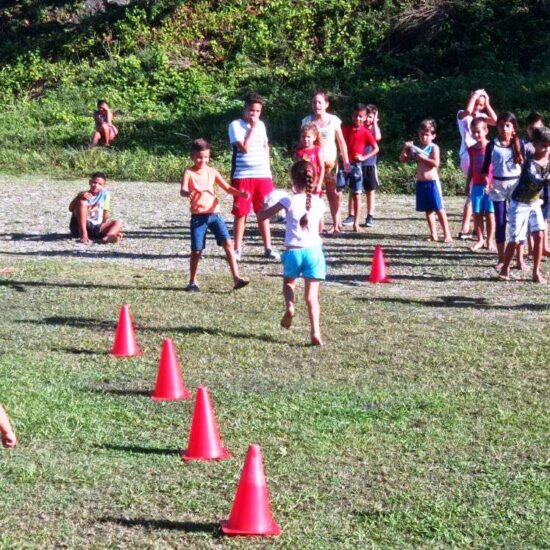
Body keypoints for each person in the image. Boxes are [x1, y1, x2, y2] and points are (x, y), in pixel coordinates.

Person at [258, 160, 326, 346]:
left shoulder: (287, 200)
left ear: (293, 180)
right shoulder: (319, 203)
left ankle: (290, 306)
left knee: (289, 282)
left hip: (293, 252)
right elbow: (321, 227)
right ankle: (316, 332)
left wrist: (263, 206)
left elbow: (263, 217)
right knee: (312, 297)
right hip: (314, 252)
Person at [180, 139, 250, 292]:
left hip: (214, 215)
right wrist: (188, 193)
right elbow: (182, 190)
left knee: (228, 244)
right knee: (197, 250)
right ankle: (192, 281)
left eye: (205, 157)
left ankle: (236, 278)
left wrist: (241, 194)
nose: (202, 160)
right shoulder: (189, 173)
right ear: (192, 156)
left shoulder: (212, 172)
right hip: (198, 217)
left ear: (209, 156)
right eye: (199, 157)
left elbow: (227, 188)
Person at [228, 92, 280, 261]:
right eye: (251, 111)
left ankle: (268, 247)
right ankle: (237, 249)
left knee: (264, 211)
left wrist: (268, 167)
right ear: (245, 109)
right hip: (243, 175)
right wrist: (251, 129)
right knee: (241, 212)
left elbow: (265, 145)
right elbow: (244, 148)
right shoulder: (235, 125)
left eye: (258, 111)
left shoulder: (262, 125)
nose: (255, 115)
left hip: (262, 175)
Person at [498, 126, 550, 283]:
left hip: (534, 202)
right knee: (515, 239)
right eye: (543, 145)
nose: (547, 149)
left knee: (540, 234)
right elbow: (537, 180)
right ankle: (505, 267)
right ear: (534, 144)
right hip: (519, 203)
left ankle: (536, 272)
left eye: (549, 145)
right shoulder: (530, 164)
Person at [302, 91, 349, 233]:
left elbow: (341, 141)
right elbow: (301, 141)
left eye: (320, 102)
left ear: (326, 104)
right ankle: (314, 226)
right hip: (311, 162)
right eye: (314, 102)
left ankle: (336, 224)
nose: (317, 105)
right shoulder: (306, 121)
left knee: (332, 193)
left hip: (330, 162)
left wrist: (346, 161)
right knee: (312, 193)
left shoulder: (333, 120)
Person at [482, 112, 524, 269]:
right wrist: (487, 181)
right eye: (500, 125)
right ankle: (501, 258)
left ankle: (520, 259)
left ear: (513, 128)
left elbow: (526, 167)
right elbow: (485, 168)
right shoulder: (491, 145)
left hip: (515, 186)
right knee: (500, 222)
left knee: (518, 223)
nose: (504, 128)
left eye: (507, 125)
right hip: (498, 187)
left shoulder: (520, 144)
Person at [399, 119, 452, 242]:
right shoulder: (417, 148)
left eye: (427, 134)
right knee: (428, 209)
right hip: (421, 183)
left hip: (432, 182)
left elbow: (436, 163)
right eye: (422, 134)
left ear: (433, 135)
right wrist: (405, 149)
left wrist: (421, 158)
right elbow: (403, 159)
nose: (424, 137)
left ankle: (447, 234)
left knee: (439, 208)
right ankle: (433, 234)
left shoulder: (434, 147)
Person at [457, 89, 497, 239]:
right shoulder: (462, 114)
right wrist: (475, 95)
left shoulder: (481, 116)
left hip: (482, 154)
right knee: (475, 190)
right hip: (468, 155)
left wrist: (487, 104)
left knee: (478, 191)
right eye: (476, 104)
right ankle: (466, 228)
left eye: (480, 105)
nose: (477, 108)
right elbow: (468, 109)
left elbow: (495, 120)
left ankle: (471, 229)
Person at [339, 104, 379, 232]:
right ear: (352, 116)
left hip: (356, 165)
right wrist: (340, 155)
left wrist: (363, 157)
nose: (358, 118)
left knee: (357, 193)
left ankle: (356, 224)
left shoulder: (366, 132)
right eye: (356, 116)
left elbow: (376, 148)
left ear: (365, 117)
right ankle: (337, 223)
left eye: (361, 116)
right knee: (338, 193)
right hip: (344, 164)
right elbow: (339, 143)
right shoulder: (345, 129)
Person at [68, 172, 123, 244]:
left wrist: (106, 226)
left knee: (118, 222)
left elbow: (105, 214)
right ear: (90, 182)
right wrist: (78, 197)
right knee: (82, 202)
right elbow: (70, 209)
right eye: (94, 182)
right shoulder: (84, 195)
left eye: (100, 184)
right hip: (80, 226)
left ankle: (108, 237)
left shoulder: (104, 195)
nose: (96, 185)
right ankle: (83, 234)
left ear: (104, 185)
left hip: (95, 227)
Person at [467, 118, 496, 252]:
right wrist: (468, 184)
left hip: (491, 186)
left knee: (490, 213)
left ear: (486, 130)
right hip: (477, 185)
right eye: (473, 132)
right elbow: (471, 167)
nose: (476, 135)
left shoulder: (493, 146)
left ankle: (490, 240)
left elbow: (497, 166)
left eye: (478, 131)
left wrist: (493, 182)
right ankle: (480, 239)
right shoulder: (471, 149)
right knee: (477, 213)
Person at [295, 122, 325, 194]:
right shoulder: (299, 152)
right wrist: (295, 184)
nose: (305, 139)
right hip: (301, 183)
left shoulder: (317, 150)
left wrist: (319, 184)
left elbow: (321, 167)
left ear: (314, 137)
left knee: (314, 203)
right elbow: (296, 169)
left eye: (308, 137)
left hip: (314, 182)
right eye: (303, 136)